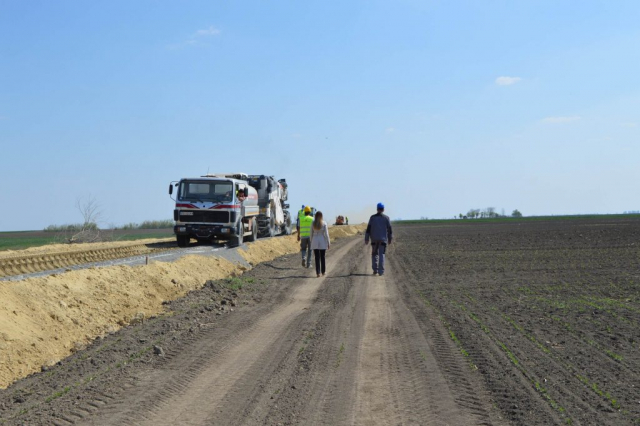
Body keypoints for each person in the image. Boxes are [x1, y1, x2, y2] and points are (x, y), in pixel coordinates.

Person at [365, 202, 393, 276]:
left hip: (374, 239)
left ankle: (375, 270)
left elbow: (368, 229)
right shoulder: (386, 218)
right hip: (382, 240)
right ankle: (381, 272)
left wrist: (366, 238)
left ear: (377, 209)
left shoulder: (372, 218)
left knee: (374, 254)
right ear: (383, 209)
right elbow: (389, 229)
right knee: (382, 255)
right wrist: (390, 238)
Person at [310, 211, 330, 277]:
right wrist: (328, 242)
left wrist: (311, 241)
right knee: (322, 257)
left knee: (317, 257)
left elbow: (311, 234)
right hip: (322, 240)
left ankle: (318, 273)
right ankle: (323, 271)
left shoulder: (313, 223)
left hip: (315, 240)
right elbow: (326, 234)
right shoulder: (324, 223)